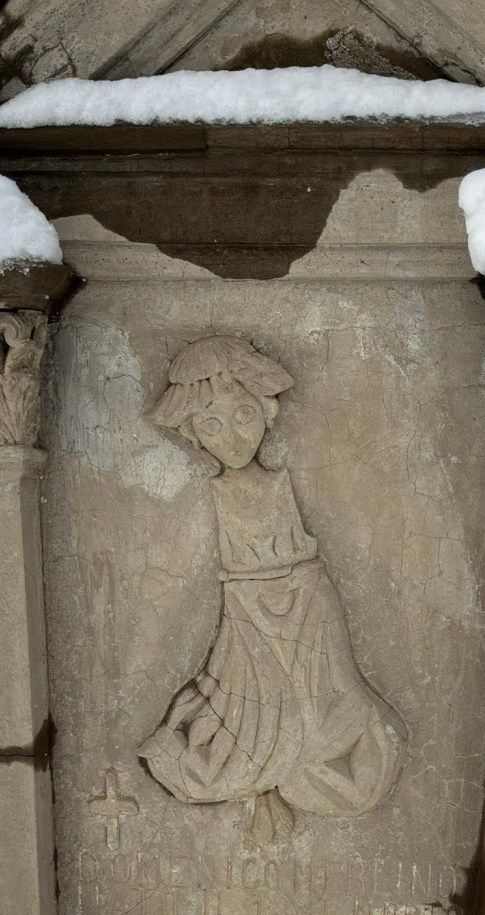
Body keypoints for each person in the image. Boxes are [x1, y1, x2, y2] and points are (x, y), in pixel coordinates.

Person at [138, 335, 405, 836]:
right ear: (194, 435)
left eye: (243, 417)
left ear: (265, 411)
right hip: (246, 608)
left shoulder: (280, 480)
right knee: (249, 712)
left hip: (310, 601)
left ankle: (286, 773)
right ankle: (263, 781)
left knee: (335, 707)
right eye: (212, 425)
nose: (233, 438)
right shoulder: (214, 495)